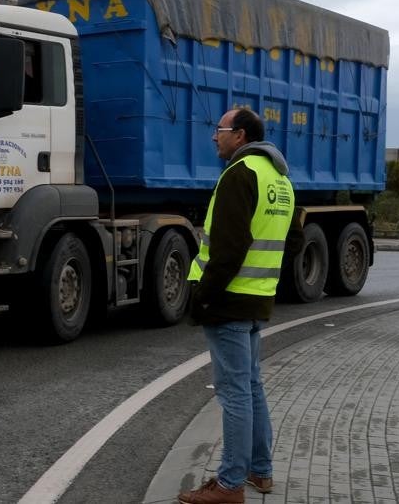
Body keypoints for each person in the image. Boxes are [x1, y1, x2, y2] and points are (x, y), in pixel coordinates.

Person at [178, 108, 295, 504]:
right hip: (257, 297)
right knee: (252, 387)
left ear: (240, 135)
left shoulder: (239, 174)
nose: (215, 137)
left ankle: (229, 485)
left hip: (228, 299)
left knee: (235, 394)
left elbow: (227, 250)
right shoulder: (279, 178)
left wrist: (203, 297)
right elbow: (289, 241)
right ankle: (259, 473)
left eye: (220, 130)